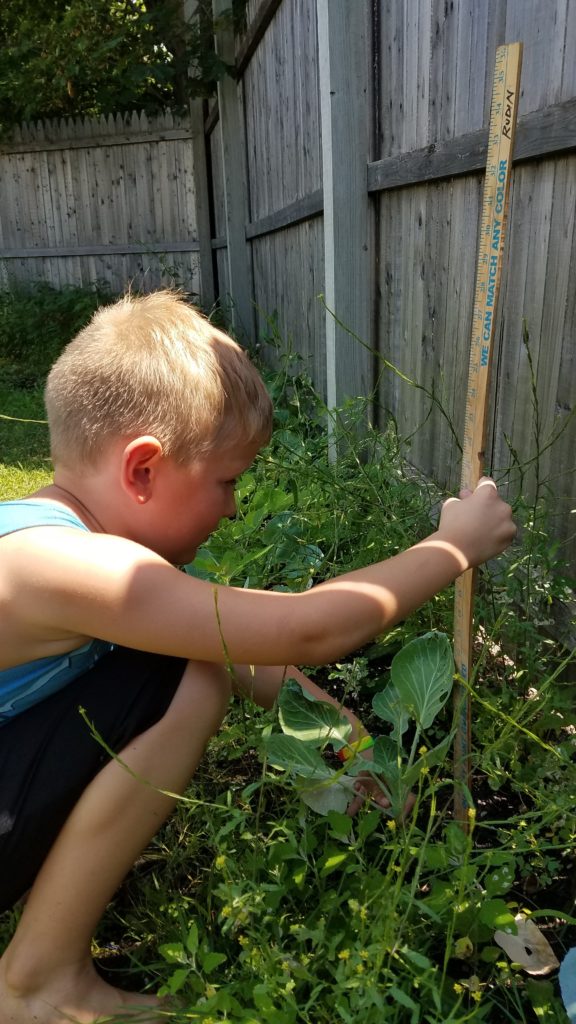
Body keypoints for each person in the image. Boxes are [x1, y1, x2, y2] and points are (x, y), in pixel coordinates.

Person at [0, 290, 516, 1024]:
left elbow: (265, 666)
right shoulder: (55, 566)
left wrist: (369, 769)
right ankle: (36, 987)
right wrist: (453, 546)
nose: (236, 508)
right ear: (142, 471)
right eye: (228, 481)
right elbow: (303, 631)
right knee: (191, 674)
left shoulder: (78, 554)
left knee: (199, 660)